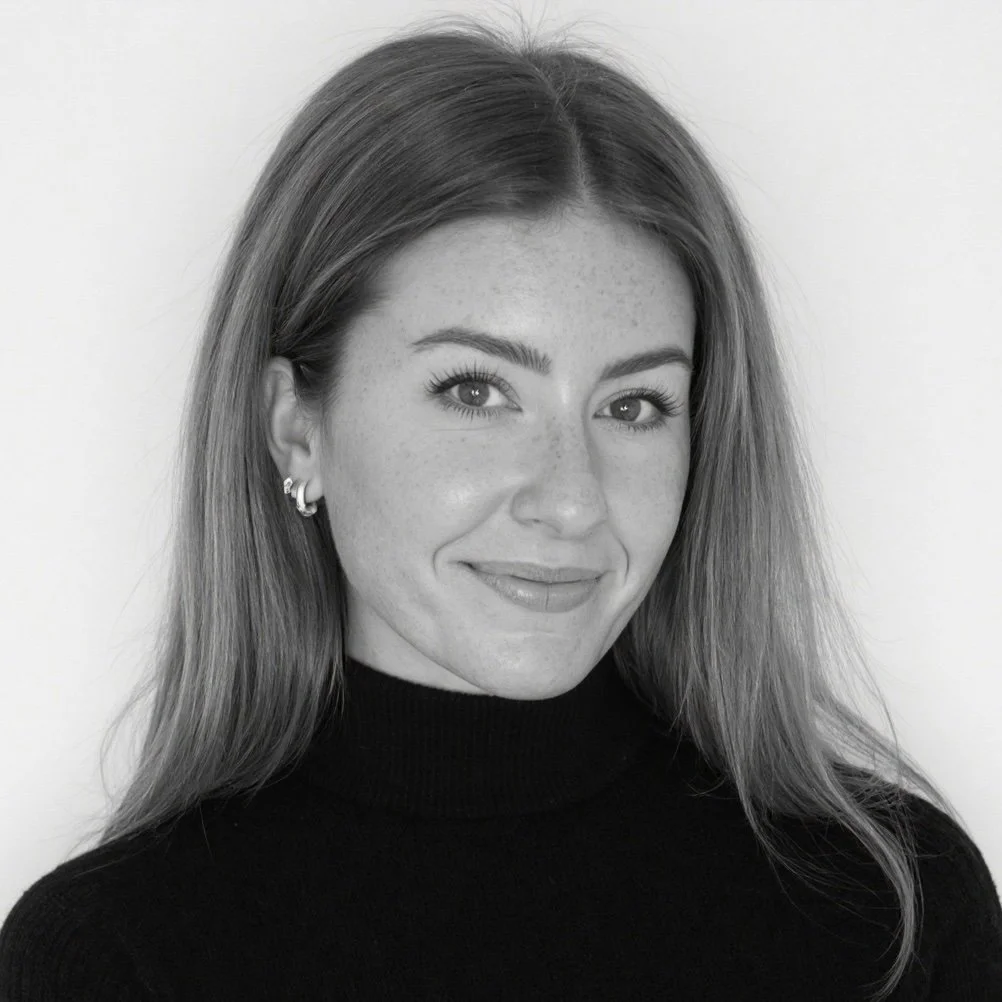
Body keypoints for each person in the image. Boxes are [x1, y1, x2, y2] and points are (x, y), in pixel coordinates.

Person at [1, 12, 999, 1001]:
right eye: (476, 392)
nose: (571, 500)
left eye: (633, 405)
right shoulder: (106, 962)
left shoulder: (894, 915)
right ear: (295, 426)